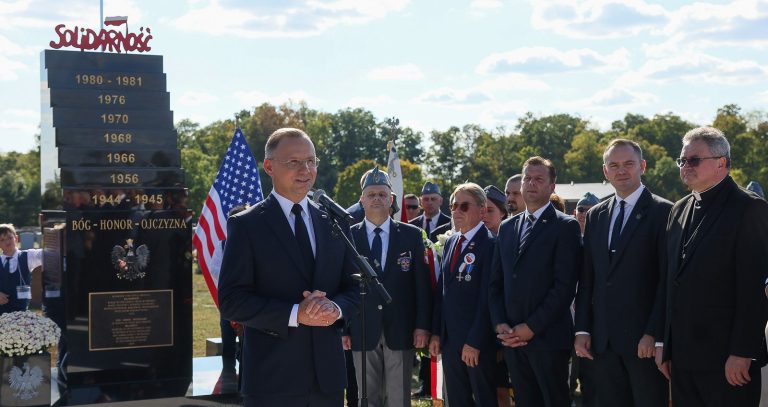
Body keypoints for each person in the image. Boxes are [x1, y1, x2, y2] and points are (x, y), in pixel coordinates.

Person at [218, 128, 360, 407]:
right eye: (293, 162)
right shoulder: (248, 225)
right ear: (269, 166)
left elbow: (355, 285)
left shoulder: (334, 222)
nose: (305, 169)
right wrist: (296, 314)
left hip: (327, 381)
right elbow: (232, 301)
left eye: (311, 161)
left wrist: (337, 308)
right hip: (272, 380)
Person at [657, 126, 768, 407]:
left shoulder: (749, 208)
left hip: (728, 360)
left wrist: (743, 352)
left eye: (693, 160)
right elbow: (671, 281)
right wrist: (665, 345)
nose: (685, 166)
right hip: (683, 357)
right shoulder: (678, 209)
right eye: (682, 160)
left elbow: (754, 289)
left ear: (722, 163)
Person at [574, 139, 671, 406]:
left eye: (628, 164)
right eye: (613, 165)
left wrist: (653, 333)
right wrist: (582, 328)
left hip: (644, 344)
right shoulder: (595, 215)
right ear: (605, 171)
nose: (621, 170)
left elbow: (666, 281)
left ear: (642, 166)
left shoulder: (664, 212)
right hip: (603, 343)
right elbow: (588, 279)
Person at [488, 156, 582, 407]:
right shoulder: (507, 228)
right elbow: (495, 284)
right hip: (511, 341)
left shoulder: (566, 227)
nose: (531, 183)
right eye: (527, 178)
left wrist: (530, 327)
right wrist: (501, 325)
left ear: (552, 187)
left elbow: (564, 289)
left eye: (539, 179)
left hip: (548, 341)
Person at [344, 167, 431, 407]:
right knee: (366, 397)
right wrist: (344, 329)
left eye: (382, 194)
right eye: (371, 194)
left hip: (400, 327)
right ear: (361, 200)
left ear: (391, 200)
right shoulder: (348, 236)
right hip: (362, 328)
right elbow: (341, 284)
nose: (377, 199)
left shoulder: (411, 235)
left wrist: (422, 326)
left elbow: (421, 285)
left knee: (398, 397)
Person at [429, 183, 497, 407]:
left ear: (482, 210)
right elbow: (442, 292)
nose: (456, 211)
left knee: (483, 398)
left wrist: (475, 341)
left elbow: (488, 298)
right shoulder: (450, 242)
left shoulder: (490, 245)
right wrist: (437, 334)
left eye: (464, 206)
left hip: (475, 342)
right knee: (457, 400)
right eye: (453, 205)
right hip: (450, 341)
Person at [568, 191, 600, 407]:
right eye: (581, 209)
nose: (584, 214)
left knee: (592, 382)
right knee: (567, 379)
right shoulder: (566, 240)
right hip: (567, 318)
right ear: (574, 212)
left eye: (590, 210)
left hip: (594, 322)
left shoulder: (601, 242)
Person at [0, 223, 42, 315]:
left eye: (10, 238)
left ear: (16, 238)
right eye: (2, 240)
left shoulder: (27, 256)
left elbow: (45, 254)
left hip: (21, 315)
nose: (7, 241)